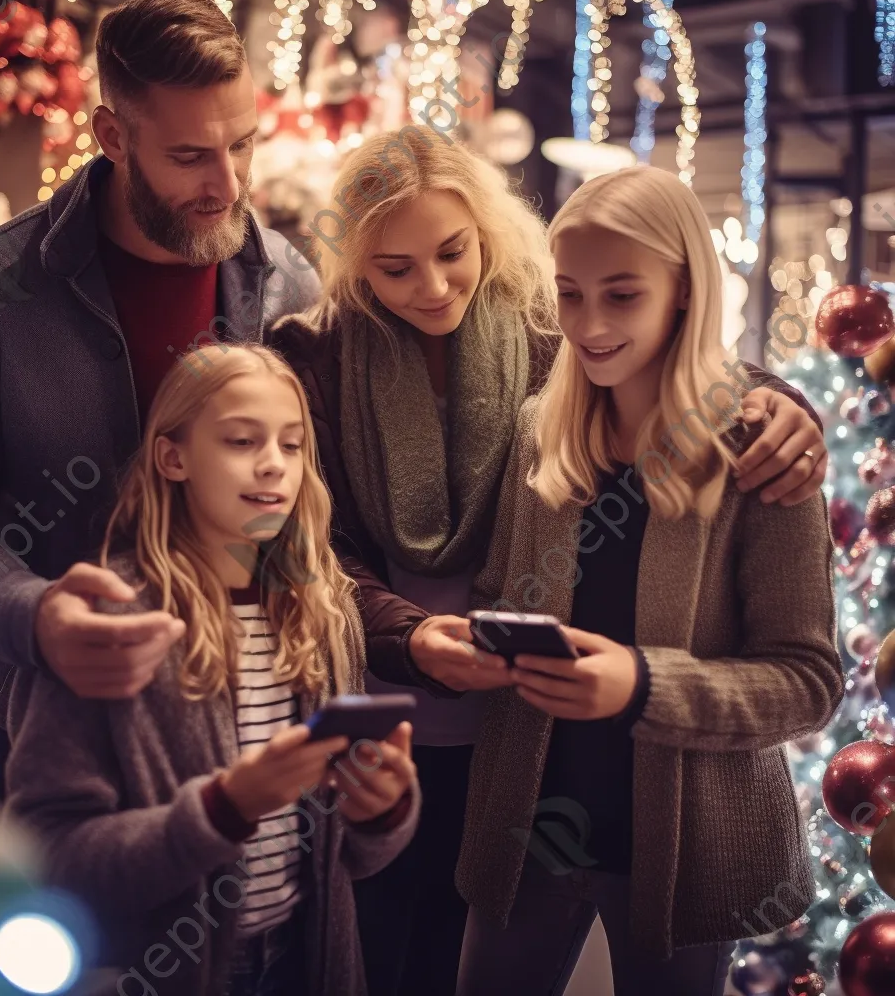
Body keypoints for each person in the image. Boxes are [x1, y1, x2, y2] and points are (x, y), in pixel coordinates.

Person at [269, 130, 830, 996]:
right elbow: (337, 551)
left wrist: (783, 405)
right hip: (483, 789)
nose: (433, 286)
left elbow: (802, 678)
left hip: (655, 826)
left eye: (453, 253)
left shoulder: (722, 442)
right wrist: (434, 637)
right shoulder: (537, 429)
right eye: (394, 267)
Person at [0, 0, 319, 812]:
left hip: (247, 727)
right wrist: (35, 615)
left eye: (243, 145)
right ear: (114, 136)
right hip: (56, 732)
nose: (227, 185)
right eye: (192, 155)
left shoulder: (289, 284)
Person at [453, 165, 843, 996]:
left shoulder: (754, 447)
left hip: (679, 850)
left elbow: (807, 682)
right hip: (528, 839)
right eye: (569, 293)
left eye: (622, 295)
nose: (588, 325)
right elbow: (503, 592)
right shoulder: (539, 430)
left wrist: (641, 685)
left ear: (684, 293)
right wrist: (482, 645)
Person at [3, 343, 420, 996]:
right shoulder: (110, 621)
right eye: (240, 441)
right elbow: (50, 858)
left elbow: (349, 862)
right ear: (173, 458)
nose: (273, 466)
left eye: (291, 444)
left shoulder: (325, 609)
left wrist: (380, 813)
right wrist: (224, 809)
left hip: (306, 961)